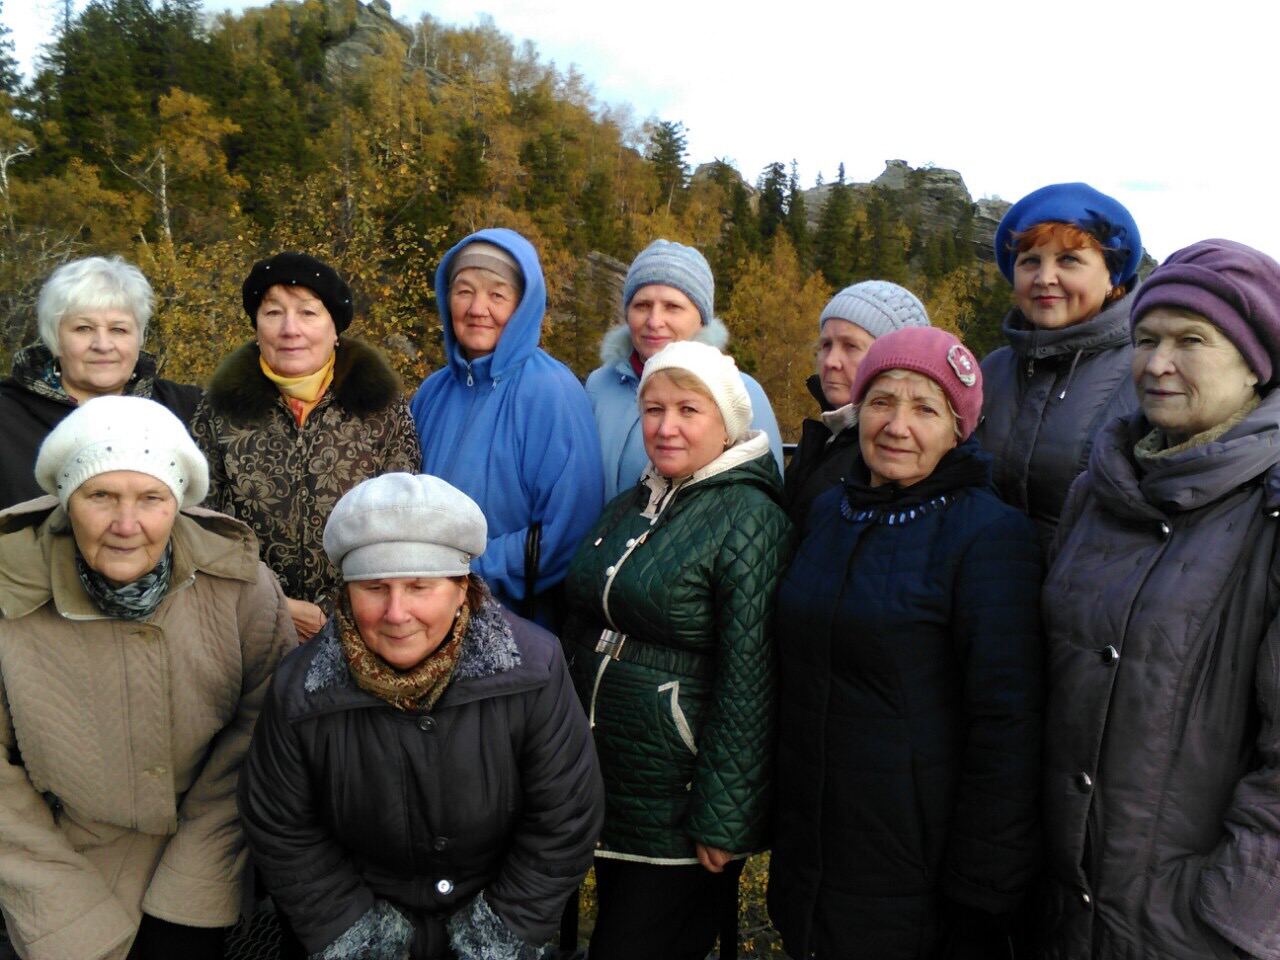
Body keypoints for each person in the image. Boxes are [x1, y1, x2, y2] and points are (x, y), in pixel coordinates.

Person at [237, 472, 603, 960]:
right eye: (373, 587)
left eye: (418, 587)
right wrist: (360, 938)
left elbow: (565, 815)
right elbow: (282, 826)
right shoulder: (300, 691)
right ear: (346, 595)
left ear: (461, 591)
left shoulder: (533, 671)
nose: (396, 612)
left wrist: (496, 935)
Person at [768, 326, 1043, 960]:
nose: (897, 425)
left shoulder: (990, 535)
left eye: (925, 408)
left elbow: (1007, 720)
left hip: (915, 859)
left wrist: (984, 880)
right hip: (813, 838)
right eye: (882, 401)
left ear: (958, 429)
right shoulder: (831, 512)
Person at [1038, 239, 1280, 960]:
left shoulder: (1269, 516)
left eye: (1191, 341)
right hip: (1063, 908)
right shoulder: (1097, 491)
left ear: (1256, 362)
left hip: (1188, 929)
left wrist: (1230, 916)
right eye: (1145, 339)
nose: (1156, 363)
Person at [0, 396, 293, 960]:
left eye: (152, 498)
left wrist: (191, 897)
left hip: (206, 857)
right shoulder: (11, 589)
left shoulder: (243, 588)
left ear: (178, 504)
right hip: (57, 863)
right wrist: (65, 910)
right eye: (101, 496)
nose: (126, 525)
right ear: (66, 501)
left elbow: (261, 737)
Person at [562, 340, 794, 960]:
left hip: (680, 792)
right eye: (653, 410)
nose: (666, 427)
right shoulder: (635, 503)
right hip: (610, 774)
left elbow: (751, 677)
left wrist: (725, 817)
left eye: (688, 410)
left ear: (727, 423)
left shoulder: (749, 517)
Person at [191, 252, 421, 642]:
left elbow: (402, 520)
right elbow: (197, 526)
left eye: (308, 313)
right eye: (274, 312)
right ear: (256, 325)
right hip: (243, 625)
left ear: (335, 328)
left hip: (361, 626)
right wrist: (275, 603)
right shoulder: (218, 410)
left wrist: (341, 607)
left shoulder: (380, 406)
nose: (290, 329)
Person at [409, 228, 603, 624]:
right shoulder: (431, 392)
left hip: (512, 625)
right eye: (464, 291)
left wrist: (462, 575)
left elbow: (568, 531)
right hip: (418, 616)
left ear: (522, 306)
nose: (478, 308)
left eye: (497, 295)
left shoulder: (552, 392)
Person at [976, 182, 1143, 549]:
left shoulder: (1146, 372)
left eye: (1069, 260)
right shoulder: (992, 371)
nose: (1045, 278)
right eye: (1030, 261)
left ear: (1112, 279)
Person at [586, 238, 784, 501]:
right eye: (642, 305)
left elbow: (763, 500)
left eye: (673, 307)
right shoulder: (600, 385)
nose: (654, 321)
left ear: (701, 318)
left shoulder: (740, 393)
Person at [0, 255, 202, 510]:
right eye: (83, 328)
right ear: (54, 337)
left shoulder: (192, 409)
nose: (103, 345)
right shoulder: (6, 419)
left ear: (139, 337)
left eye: (119, 329)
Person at [784, 279, 931, 526]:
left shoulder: (894, 455)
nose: (830, 361)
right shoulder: (826, 434)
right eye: (826, 345)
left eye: (850, 346)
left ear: (894, 363)